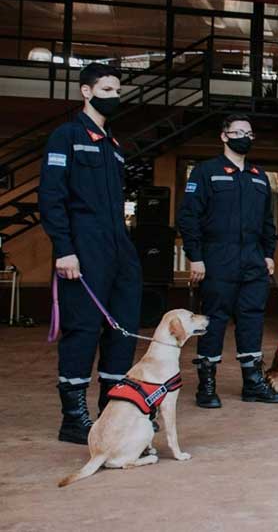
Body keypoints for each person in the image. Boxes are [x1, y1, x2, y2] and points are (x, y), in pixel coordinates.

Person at [38, 63, 142, 444]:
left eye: (118, 91)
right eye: (108, 89)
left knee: (124, 327)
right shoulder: (66, 137)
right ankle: (73, 418)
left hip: (118, 245)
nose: (115, 97)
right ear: (87, 91)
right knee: (83, 328)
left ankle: (110, 411)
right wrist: (64, 249)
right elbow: (51, 197)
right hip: (83, 246)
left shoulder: (114, 147)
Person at [178, 114, 278, 407]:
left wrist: (267, 254)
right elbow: (189, 218)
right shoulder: (206, 172)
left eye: (249, 133)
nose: (244, 137)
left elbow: (267, 221)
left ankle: (252, 383)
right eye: (237, 132)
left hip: (252, 260)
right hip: (217, 258)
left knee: (252, 319)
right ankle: (206, 386)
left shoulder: (259, 176)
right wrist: (196, 257)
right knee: (213, 320)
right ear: (223, 136)